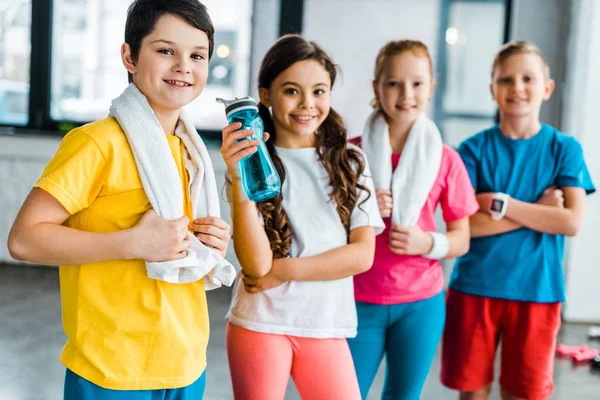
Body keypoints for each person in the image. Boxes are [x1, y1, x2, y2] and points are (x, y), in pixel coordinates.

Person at [7, 0, 230, 398]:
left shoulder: (189, 151)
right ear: (129, 56)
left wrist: (208, 242)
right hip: (110, 368)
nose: (183, 66)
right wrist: (131, 242)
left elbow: (174, 244)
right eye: (165, 51)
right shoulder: (96, 143)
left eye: (197, 55)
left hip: (185, 362)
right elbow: (24, 239)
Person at [220, 34, 384, 400]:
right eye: (292, 90)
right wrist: (239, 184)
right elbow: (256, 266)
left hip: (325, 326)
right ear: (265, 95)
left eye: (319, 91)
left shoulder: (351, 162)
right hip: (259, 322)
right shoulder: (249, 164)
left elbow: (362, 256)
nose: (307, 104)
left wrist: (287, 270)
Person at [441, 41, 596, 400]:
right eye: (506, 79)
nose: (517, 88)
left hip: (537, 292)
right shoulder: (472, 150)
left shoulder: (564, 149)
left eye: (528, 78)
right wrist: (540, 210)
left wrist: (502, 204)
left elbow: (571, 222)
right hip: (474, 290)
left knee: (524, 393)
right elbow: (466, 228)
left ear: (547, 87)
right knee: (472, 392)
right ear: (493, 88)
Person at [347, 39, 478, 400]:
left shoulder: (447, 159)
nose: (406, 94)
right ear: (377, 88)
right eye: (394, 83)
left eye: (417, 83)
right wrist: (363, 204)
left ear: (432, 87)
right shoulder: (350, 154)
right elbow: (325, 226)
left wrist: (428, 243)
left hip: (421, 304)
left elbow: (462, 237)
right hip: (358, 298)